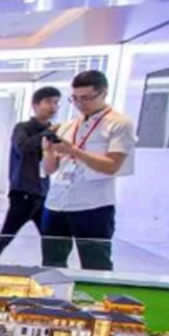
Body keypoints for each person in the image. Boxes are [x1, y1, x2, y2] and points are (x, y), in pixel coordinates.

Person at [41, 70, 134, 271]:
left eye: (86, 98)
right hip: (57, 202)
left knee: (96, 264)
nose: (80, 104)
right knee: (51, 263)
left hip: (93, 204)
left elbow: (112, 166)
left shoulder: (119, 124)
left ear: (103, 93)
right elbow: (49, 169)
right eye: (74, 99)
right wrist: (48, 151)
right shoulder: (68, 126)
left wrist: (75, 151)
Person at [0, 87, 59, 262]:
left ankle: (53, 269)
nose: (53, 107)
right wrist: (46, 135)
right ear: (35, 105)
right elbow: (23, 147)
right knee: (7, 234)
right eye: (48, 102)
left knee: (51, 239)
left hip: (43, 192)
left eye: (56, 103)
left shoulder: (54, 132)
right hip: (23, 192)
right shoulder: (23, 128)